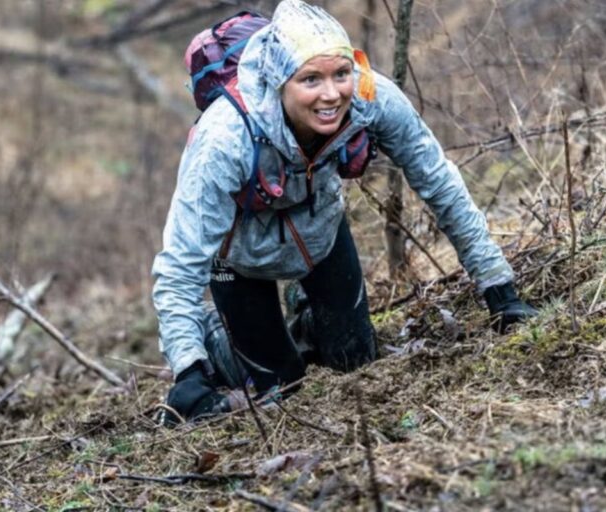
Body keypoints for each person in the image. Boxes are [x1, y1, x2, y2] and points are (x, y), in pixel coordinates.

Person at [152, 0, 536, 423]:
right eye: (310, 79)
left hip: (321, 236)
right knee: (282, 387)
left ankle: (305, 314)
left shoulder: (372, 98)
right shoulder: (224, 137)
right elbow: (180, 261)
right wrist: (188, 369)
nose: (331, 94)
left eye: (340, 74)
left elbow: (439, 183)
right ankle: (215, 334)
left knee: (354, 361)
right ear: (281, 82)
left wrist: (499, 287)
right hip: (240, 261)